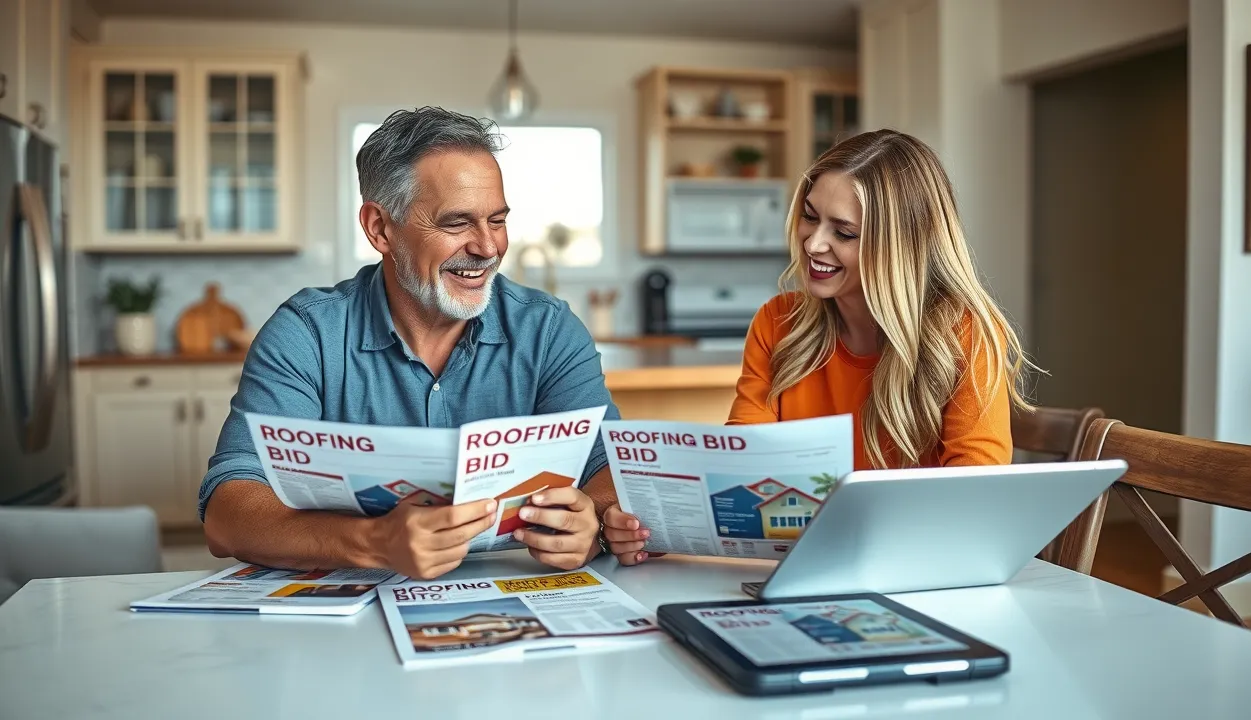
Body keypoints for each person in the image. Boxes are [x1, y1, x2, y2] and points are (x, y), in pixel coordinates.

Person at [201, 107, 622, 580]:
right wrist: (375, 543)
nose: (487, 248)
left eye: (497, 220)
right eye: (456, 223)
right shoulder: (307, 334)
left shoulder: (548, 330)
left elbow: (609, 468)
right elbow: (226, 514)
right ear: (380, 229)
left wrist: (593, 520)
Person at [600, 129, 1032, 565]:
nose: (813, 243)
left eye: (843, 232)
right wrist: (655, 525)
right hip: (801, 567)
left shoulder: (965, 333)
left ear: (903, 246)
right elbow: (741, 464)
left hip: (918, 570)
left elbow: (976, 496)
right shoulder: (777, 323)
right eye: (810, 216)